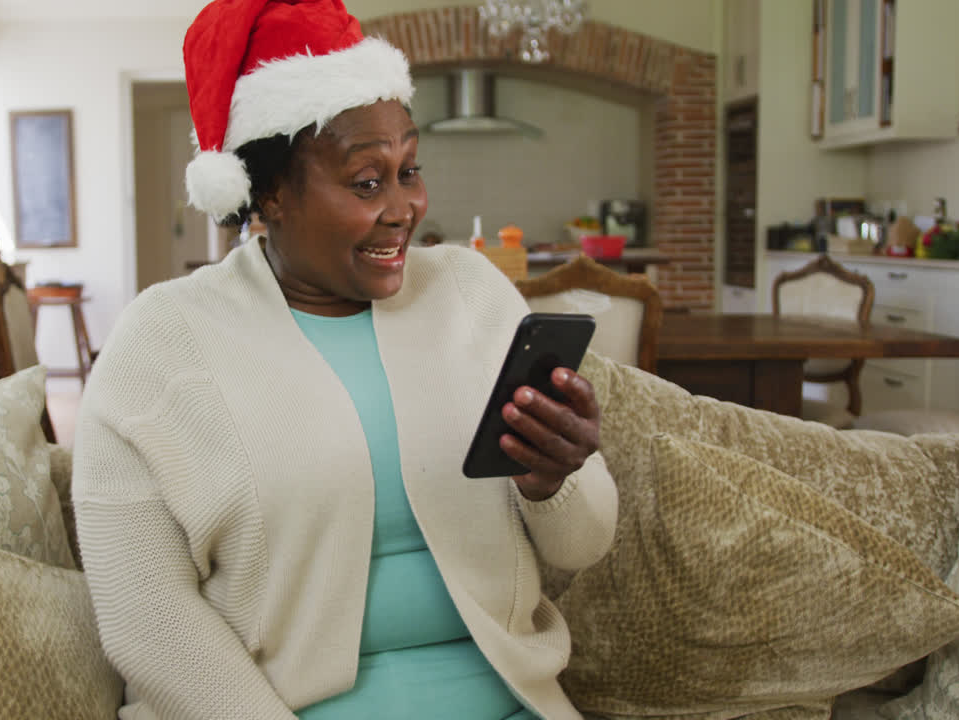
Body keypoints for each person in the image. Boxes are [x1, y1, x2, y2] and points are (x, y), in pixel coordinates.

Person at [72, 0, 618, 717]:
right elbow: (146, 617)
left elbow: (583, 546)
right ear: (267, 194)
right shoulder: (162, 343)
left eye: (409, 170)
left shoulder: (473, 296)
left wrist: (555, 480)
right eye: (367, 182)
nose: (404, 208)